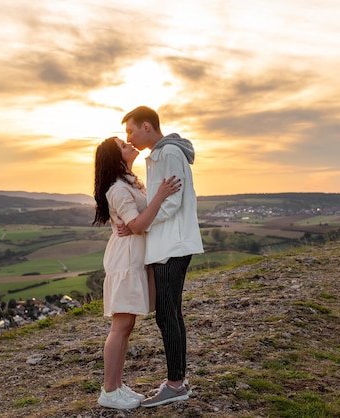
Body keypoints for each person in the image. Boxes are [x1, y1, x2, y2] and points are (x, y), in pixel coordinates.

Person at [121, 106, 204, 408]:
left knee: (168, 315)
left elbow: (172, 203)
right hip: (167, 245)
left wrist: (141, 223)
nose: (128, 136)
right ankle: (176, 381)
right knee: (168, 314)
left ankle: (176, 384)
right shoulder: (158, 155)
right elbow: (162, 200)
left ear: (146, 126)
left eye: (130, 130)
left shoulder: (168, 154)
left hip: (173, 245)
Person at [93, 136, 181, 410]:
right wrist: (161, 195)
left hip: (133, 258)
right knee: (120, 326)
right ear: (114, 157)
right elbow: (139, 225)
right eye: (122, 145)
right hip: (125, 261)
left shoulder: (127, 182)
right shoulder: (117, 189)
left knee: (126, 325)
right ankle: (109, 391)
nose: (129, 145)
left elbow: (137, 224)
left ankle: (116, 386)